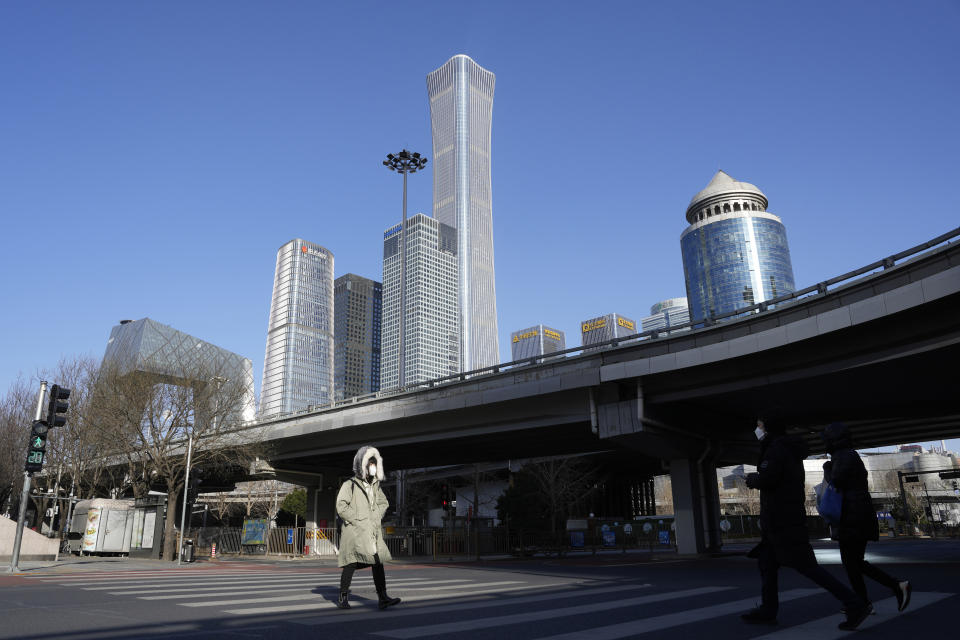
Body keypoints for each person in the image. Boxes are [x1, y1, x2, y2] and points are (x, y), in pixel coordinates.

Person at [741, 419, 871, 631]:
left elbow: (769, 478)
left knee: (807, 567)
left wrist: (754, 479)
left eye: (760, 425)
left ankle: (854, 604)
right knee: (767, 563)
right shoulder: (787, 449)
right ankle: (767, 610)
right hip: (782, 517)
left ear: (768, 427)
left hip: (783, 519)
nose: (757, 429)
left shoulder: (777, 449)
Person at [821, 422, 911, 614]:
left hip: (852, 516)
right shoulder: (849, 454)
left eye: (827, 438)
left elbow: (836, 480)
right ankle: (866, 600)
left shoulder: (843, 456)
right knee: (854, 562)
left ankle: (890, 589)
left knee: (852, 562)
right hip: (857, 515)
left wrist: (827, 468)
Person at [335, 445, 401, 610]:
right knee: (351, 563)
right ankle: (343, 596)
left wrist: (376, 515)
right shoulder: (350, 484)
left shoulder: (376, 485)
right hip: (355, 532)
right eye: (370, 464)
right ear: (362, 465)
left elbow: (383, 502)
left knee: (377, 562)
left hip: (371, 531)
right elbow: (341, 506)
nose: (373, 467)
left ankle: (383, 597)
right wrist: (357, 520)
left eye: (375, 464)